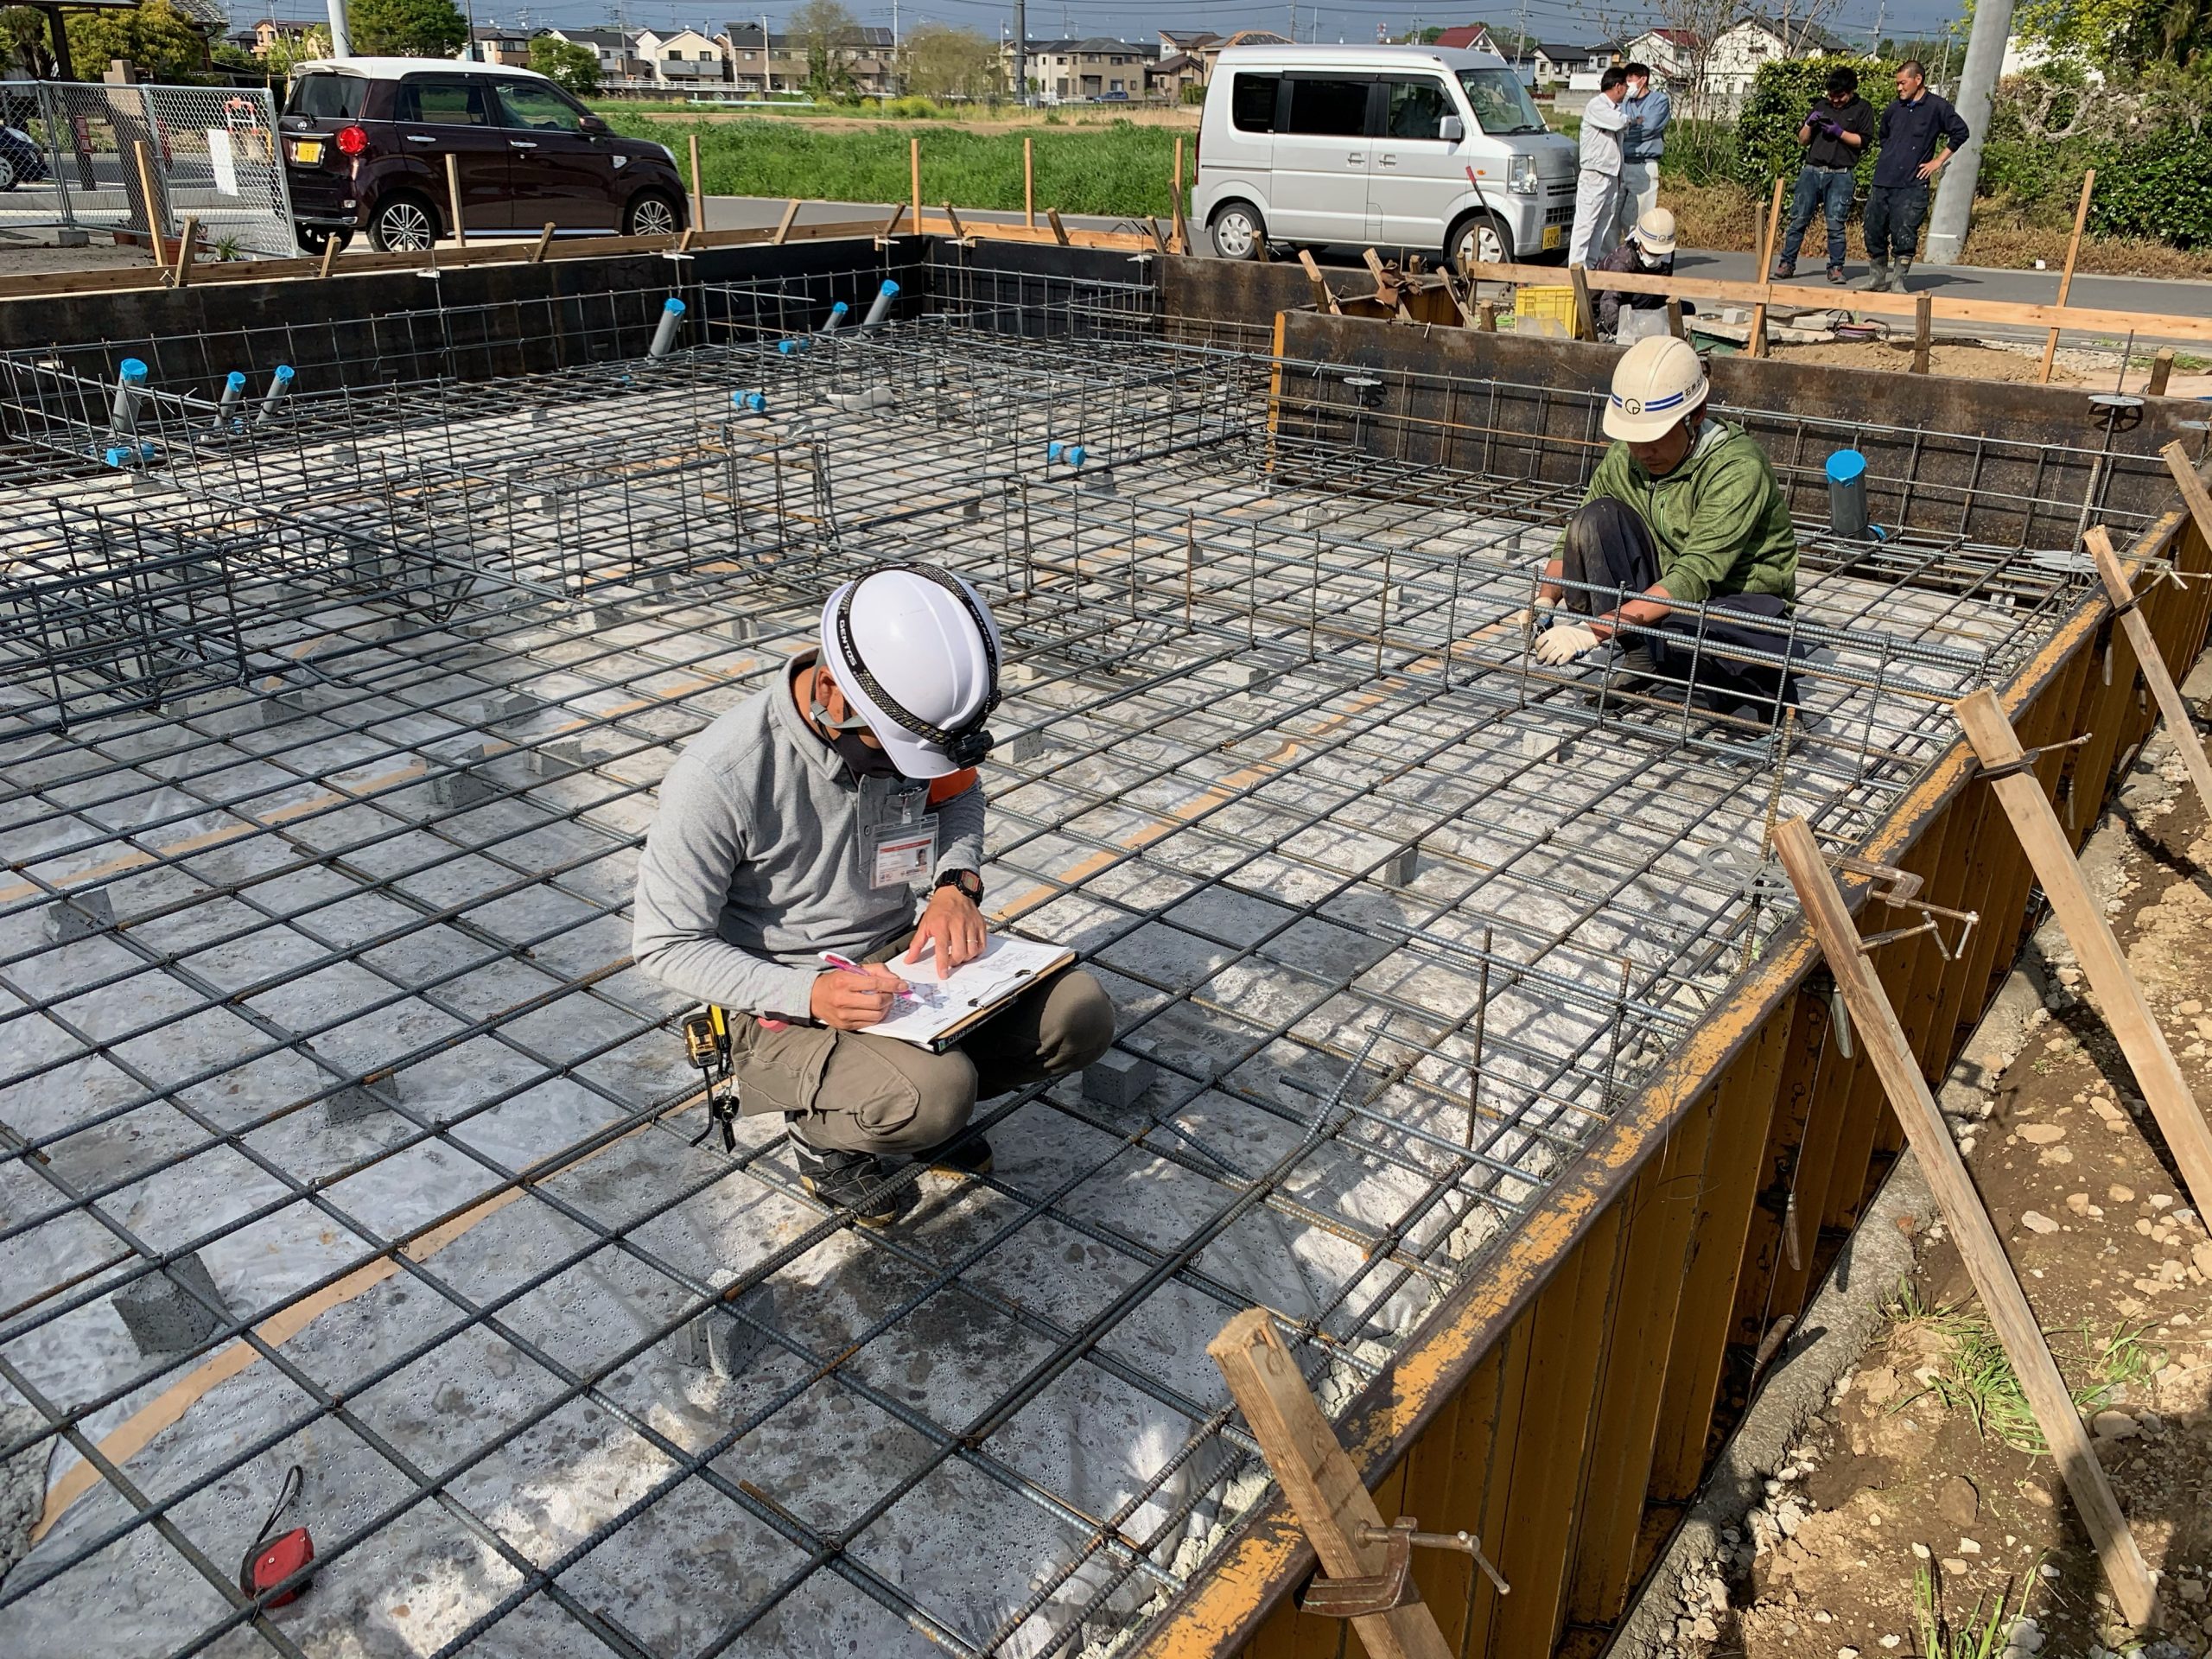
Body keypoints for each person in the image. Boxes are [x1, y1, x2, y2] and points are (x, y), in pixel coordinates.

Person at [632, 563, 1117, 1225]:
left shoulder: (909, 721)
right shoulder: (722, 777)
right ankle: (827, 1138)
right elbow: (664, 944)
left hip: (897, 957)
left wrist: (956, 882)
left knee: (1078, 1015)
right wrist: (810, 996)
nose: (903, 774)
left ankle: (913, 1091)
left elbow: (961, 796)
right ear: (830, 689)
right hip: (782, 992)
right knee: (934, 1096)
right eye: (890, 753)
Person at [1529, 336, 1802, 718]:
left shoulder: (1736, 470)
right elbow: (1570, 538)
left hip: (1736, 601)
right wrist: (1545, 598)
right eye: (1635, 437)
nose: (1642, 451)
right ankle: (1644, 657)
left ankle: (1771, 701)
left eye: (1655, 437)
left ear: (1696, 415)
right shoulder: (1627, 456)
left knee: (1693, 631)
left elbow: (1694, 576)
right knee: (1594, 521)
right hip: (1671, 590)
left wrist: (1594, 631)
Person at [1863, 60, 1968, 293]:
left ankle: (1898, 280)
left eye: (1903, 83)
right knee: (1873, 228)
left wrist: (1938, 161)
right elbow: (1884, 137)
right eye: (1897, 84)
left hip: (1912, 184)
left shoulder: (1937, 107)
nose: (1899, 88)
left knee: (1905, 231)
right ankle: (1877, 278)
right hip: (1883, 180)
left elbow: (1961, 132)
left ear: (1917, 80)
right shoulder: (1894, 108)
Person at [1772, 66, 1875, 286]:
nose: (1835, 101)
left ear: (1851, 91)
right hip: (1812, 170)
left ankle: (1836, 268)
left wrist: (1839, 132)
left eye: (1840, 96)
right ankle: (1786, 263)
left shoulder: (1863, 108)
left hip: (1841, 174)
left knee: (1835, 224)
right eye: (1832, 96)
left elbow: (1863, 141)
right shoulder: (1821, 105)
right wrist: (1810, 123)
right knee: (1798, 219)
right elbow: (1802, 139)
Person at [1569, 67, 1631, 269]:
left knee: (1602, 224)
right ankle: (1576, 267)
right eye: (1625, 87)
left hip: (1611, 174)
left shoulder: (1615, 109)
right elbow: (1619, 122)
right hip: (1594, 174)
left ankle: (1590, 264)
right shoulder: (1596, 106)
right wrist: (1630, 119)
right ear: (1618, 86)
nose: (1627, 91)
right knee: (1586, 223)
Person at [1593, 208, 1687, 342]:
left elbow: (1662, 291)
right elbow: (1609, 301)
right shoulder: (1623, 261)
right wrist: (1623, 331)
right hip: (1610, 309)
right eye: (1651, 252)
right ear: (1640, 243)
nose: (1655, 257)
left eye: (1659, 254)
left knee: (1686, 309)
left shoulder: (1667, 255)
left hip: (1645, 304)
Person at [1616, 62, 1670, 232]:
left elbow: (1649, 128)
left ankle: (1640, 257)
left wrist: (1623, 130)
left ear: (1643, 79)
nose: (1628, 83)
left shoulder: (1659, 101)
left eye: (1631, 79)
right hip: (1622, 164)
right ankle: (1610, 257)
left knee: (1639, 220)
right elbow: (1615, 125)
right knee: (1612, 220)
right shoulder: (1624, 103)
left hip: (1644, 164)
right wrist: (1628, 126)